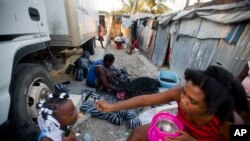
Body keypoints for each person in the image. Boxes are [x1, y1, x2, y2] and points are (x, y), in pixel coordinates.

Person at [95, 66, 250, 141]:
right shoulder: (182, 92)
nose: (182, 100)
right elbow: (146, 99)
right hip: (174, 134)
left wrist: (192, 140)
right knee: (137, 133)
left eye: (192, 101)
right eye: (185, 93)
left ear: (212, 108)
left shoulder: (229, 122)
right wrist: (112, 107)